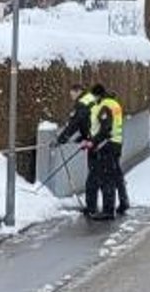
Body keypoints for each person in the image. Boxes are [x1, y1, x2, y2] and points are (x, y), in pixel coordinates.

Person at [53, 82, 100, 216]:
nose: (71, 95)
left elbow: (75, 123)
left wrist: (61, 139)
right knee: (101, 174)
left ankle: (92, 208)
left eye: (72, 92)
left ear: (78, 91)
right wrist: (82, 137)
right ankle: (104, 205)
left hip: (95, 143)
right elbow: (89, 121)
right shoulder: (91, 98)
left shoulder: (82, 102)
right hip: (98, 140)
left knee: (93, 176)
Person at [88, 82, 129, 220]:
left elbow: (106, 128)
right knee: (116, 174)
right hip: (116, 143)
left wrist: (93, 142)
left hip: (107, 145)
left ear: (97, 95)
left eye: (93, 96)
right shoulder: (114, 103)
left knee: (107, 178)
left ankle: (108, 211)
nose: (93, 99)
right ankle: (124, 202)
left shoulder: (104, 106)